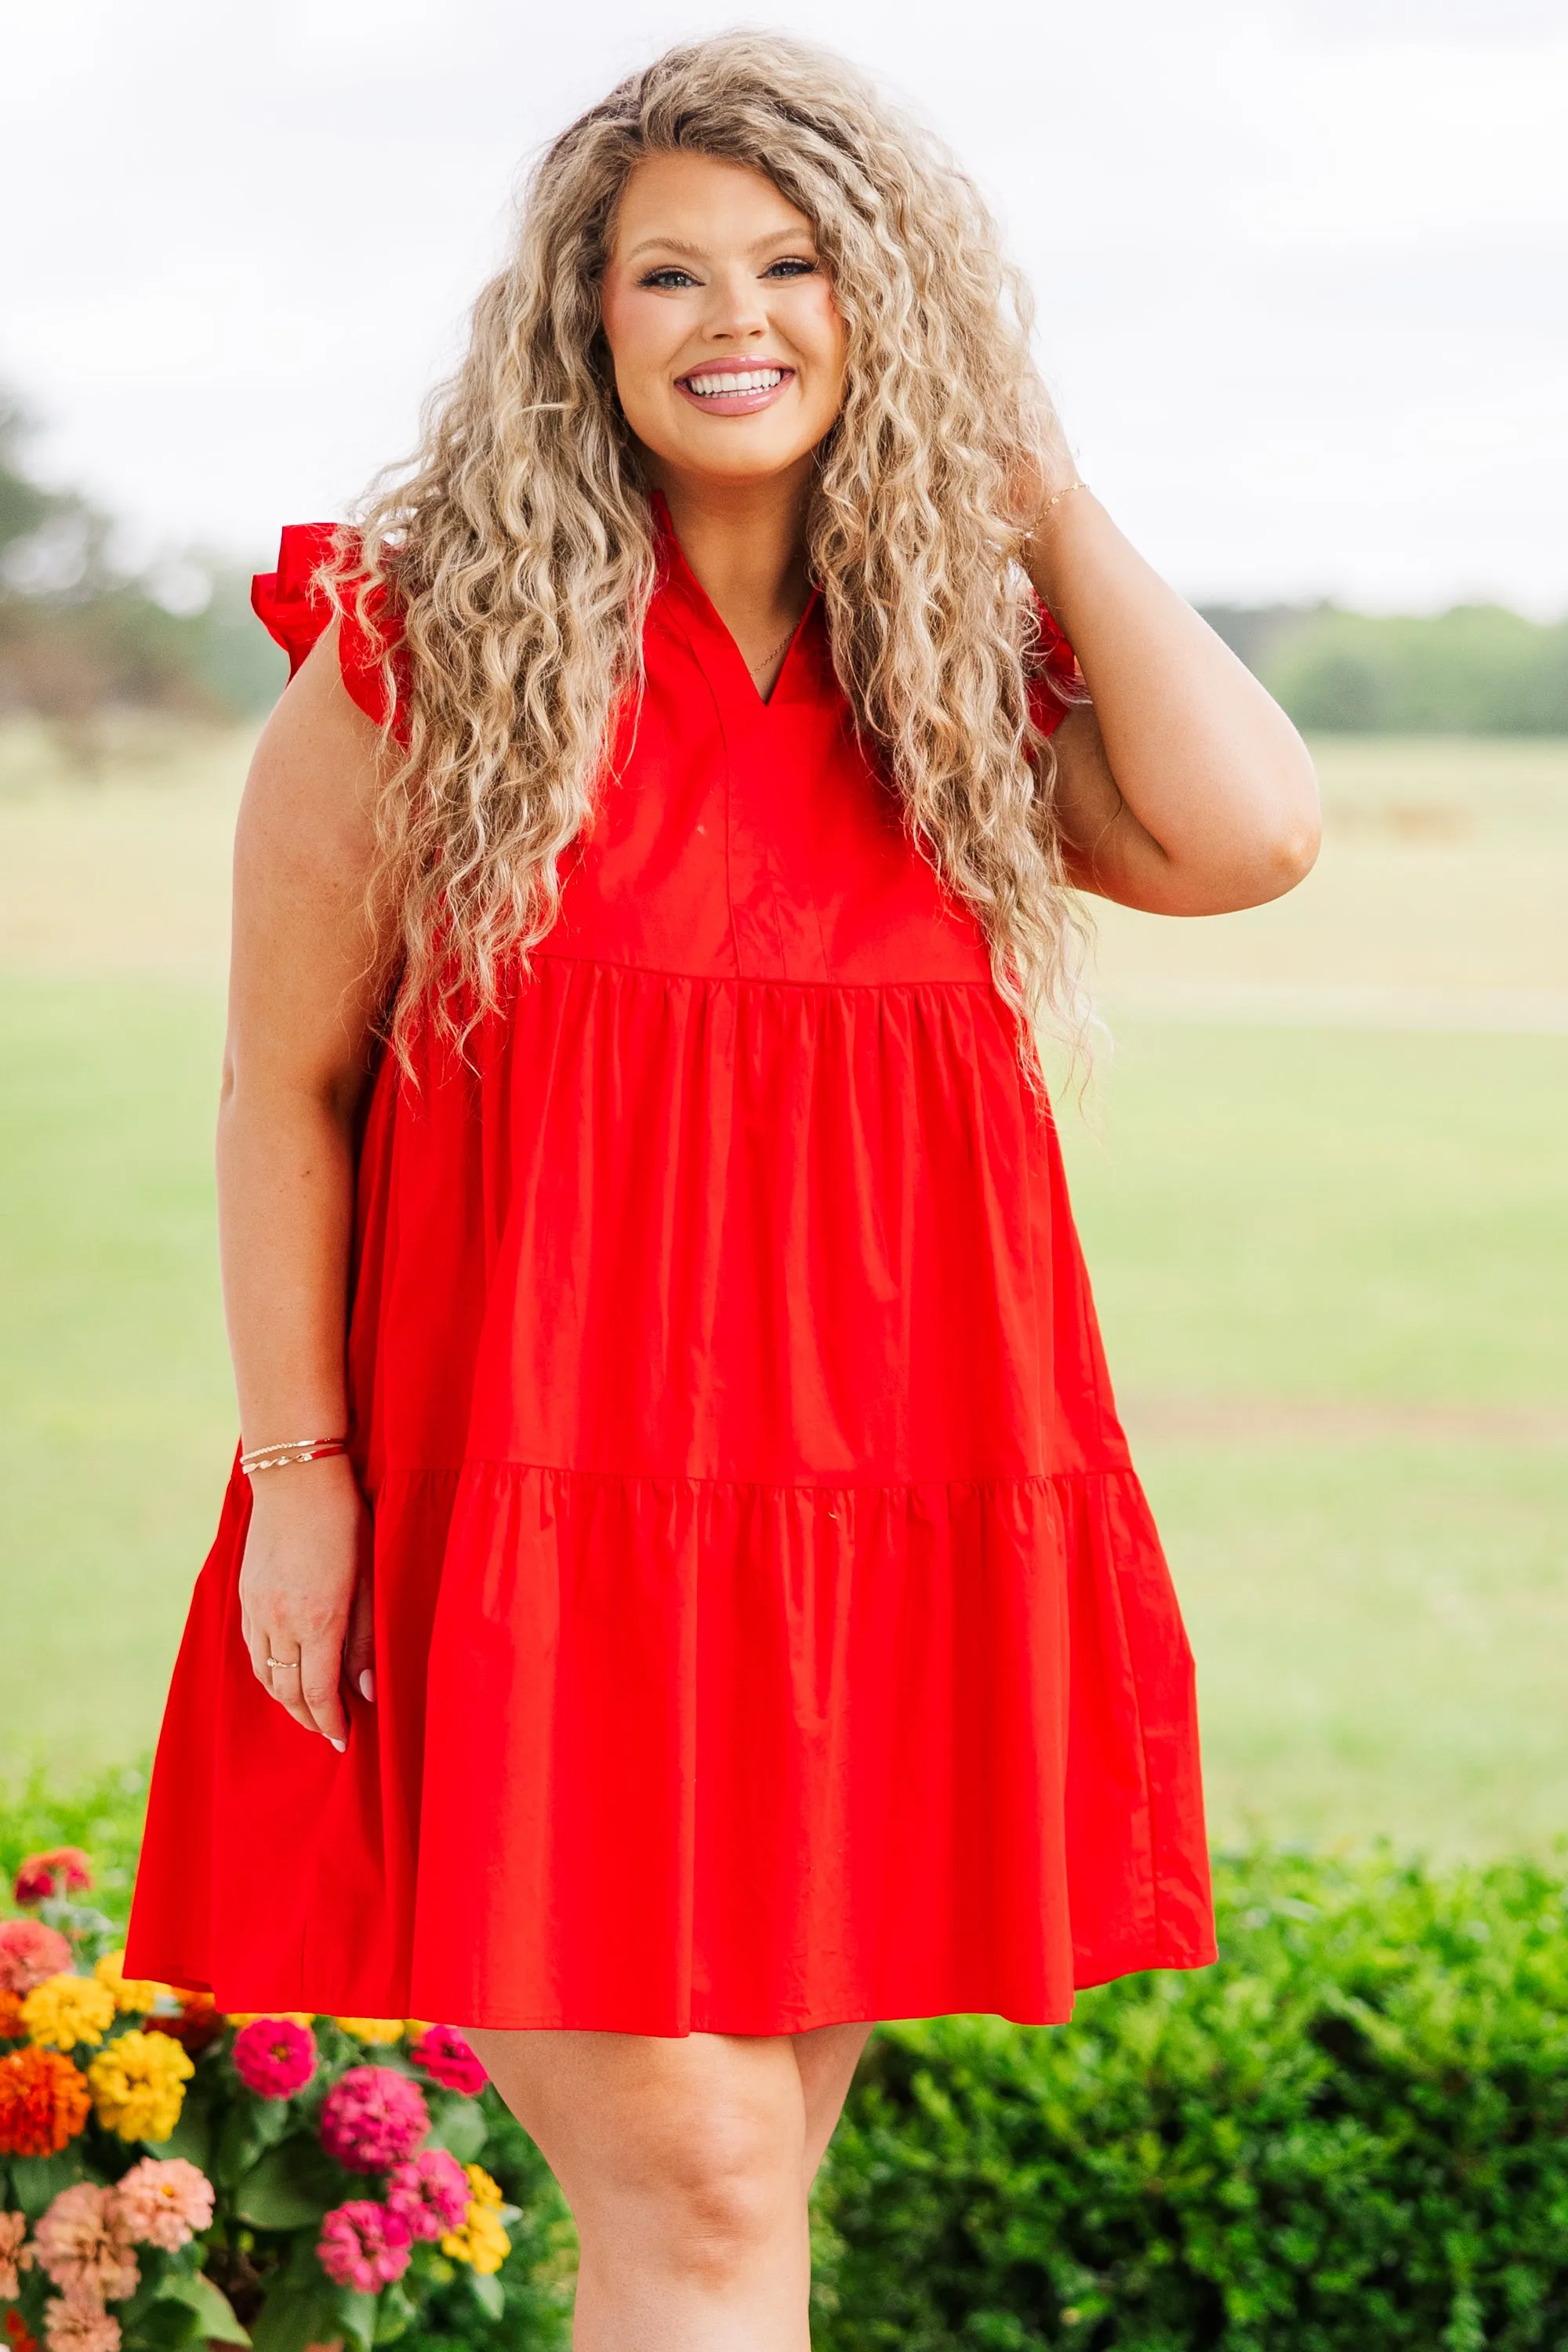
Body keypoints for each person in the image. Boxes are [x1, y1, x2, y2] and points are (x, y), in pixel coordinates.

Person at [124, 33, 1319, 2351]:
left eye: (791, 264)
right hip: (532, 1519)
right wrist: (304, 1479)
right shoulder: (428, 652)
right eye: (664, 271)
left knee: (749, 2189)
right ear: (582, 320)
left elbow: (1251, 834)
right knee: (699, 2173)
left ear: (889, 306)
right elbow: (284, 1089)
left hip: (870, 1516)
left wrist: (1038, 489)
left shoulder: (955, 676)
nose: (729, 316)